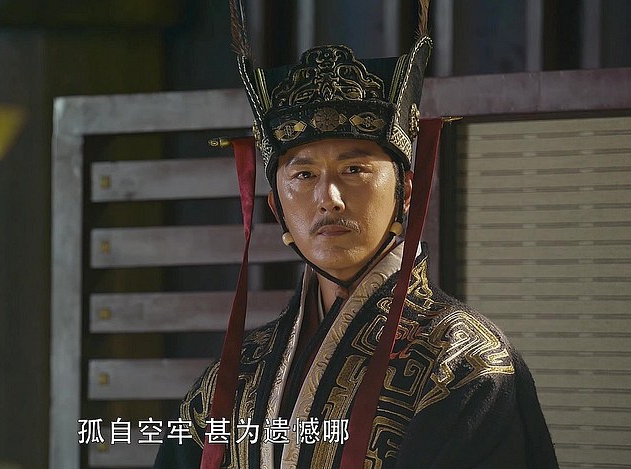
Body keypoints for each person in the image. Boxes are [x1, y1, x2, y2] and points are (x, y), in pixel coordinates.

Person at [155, 1, 559, 468]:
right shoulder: (236, 375)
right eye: (304, 175)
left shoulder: (461, 361)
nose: (329, 198)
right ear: (276, 207)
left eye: (354, 169)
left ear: (406, 192)